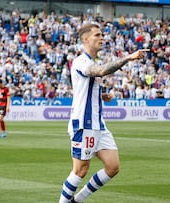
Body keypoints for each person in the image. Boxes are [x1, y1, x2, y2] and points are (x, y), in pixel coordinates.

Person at [59, 23, 148, 203]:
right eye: (97, 35)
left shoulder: (92, 62)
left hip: (98, 123)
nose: (102, 38)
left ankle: (78, 200)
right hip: (84, 124)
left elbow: (89, 85)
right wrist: (128, 58)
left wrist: (102, 95)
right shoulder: (81, 61)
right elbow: (101, 71)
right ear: (85, 39)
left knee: (113, 166)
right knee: (80, 170)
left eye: (102, 35)